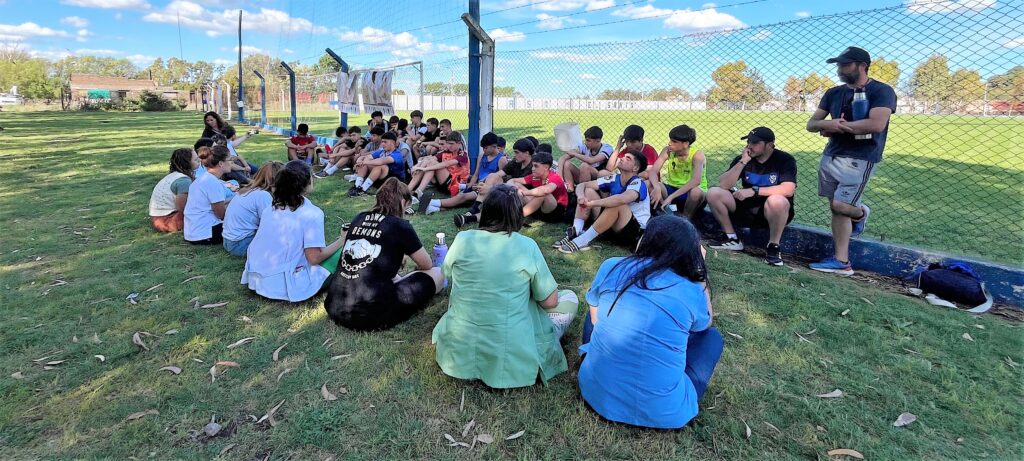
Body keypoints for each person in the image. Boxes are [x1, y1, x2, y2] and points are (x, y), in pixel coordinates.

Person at [577, 215, 722, 429]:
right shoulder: (691, 288)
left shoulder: (611, 266)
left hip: (595, 393)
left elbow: (594, 317)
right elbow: (704, 325)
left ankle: (593, 358)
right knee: (712, 338)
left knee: (595, 303)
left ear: (645, 239)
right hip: (664, 412)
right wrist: (699, 274)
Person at [432, 184, 579, 389]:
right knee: (569, 297)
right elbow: (550, 301)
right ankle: (550, 336)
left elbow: (446, 273)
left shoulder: (462, 239)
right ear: (517, 214)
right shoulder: (526, 246)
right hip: (509, 355)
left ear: (486, 211)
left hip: (458, 349)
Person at [806, 46, 896, 276]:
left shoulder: (882, 91)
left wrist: (839, 127)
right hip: (832, 155)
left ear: (862, 66)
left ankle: (861, 213)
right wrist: (828, 124)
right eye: (838, 65)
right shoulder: (833, 93)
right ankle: (841, 261)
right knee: (836, 208)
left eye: (845, 65)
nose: (839, 69)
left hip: (860, 158)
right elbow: (812, 124)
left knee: (841, 206)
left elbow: (876, 124)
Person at [324, 178, 445, 330]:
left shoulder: (359, 218)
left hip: (335, 305)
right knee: (438, 273)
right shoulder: (400, 225)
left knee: (386, 275)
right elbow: (426, 265)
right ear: (403, 202)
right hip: (368, 314)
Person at [241, 161, 345, 302]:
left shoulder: (270, 209)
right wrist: (343, 239)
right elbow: (314, 258)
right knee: (345, 250)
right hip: (284, 284)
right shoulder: (312, 213)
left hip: (257, 278)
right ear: (308, 181)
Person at [707, 127, 797, 267]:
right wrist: (743, 162)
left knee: (777, 200)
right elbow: (724, 184)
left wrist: (755, 191)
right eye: (748, 142)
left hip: (772, 212)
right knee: (714, 192)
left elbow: (788, 189)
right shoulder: (743, 159)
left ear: (769, 145)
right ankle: (732, 239)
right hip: (747, 209)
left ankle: (773, 247)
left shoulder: (784, 160)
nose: (749, 146)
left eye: (755, 143)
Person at [556, 150, 650, 253]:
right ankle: (575, 231)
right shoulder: (615, 178)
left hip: (633, 231)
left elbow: (621, 199)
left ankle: (583, 240)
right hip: (613, 226)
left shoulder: (638, 183)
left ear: (635, 168)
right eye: (623, 156)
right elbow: (582, 185)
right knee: (588, 191)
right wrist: (581, 197)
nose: (622, 159)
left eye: (628, 159)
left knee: (617, 204)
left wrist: (592, 204)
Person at [454, 137, 535, 228]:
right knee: (493, 176)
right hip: (513, 194)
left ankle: (474, 211)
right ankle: (472, 212)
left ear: (527, 153)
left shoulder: (534, 166)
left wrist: (490, 189)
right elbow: (498, 174)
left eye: (517, 152)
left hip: (528, 198)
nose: (514, 155)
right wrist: (483, 183)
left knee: (513, 186)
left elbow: (518, 186)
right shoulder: (515, 162)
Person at [417, 132, 505, 215]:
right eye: (483, 148)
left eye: (485, 148)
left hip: (488, 190)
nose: (483, 150)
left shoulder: (501, 160)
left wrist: (486, 187)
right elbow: (475, 175)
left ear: (494, 146)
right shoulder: (482, 156)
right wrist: (469, 187)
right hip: (477, 186)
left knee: (463, 197)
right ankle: (433, 208)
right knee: (462, 197)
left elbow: (501, 181)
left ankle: (431, 202)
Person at [222, 161, 284, 257]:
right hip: (240, 244)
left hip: (229, 241)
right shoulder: (263, 195)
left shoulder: (250, 189)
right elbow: (270, 225)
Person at [650, 125, 708, 218]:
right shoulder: (667, 151)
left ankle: (686, 219)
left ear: (685, 144)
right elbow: (653, 171)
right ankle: (661, 215)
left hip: (690, 194)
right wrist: (656, 187)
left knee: (695, 192)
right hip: (672, 189)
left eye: (674, 141)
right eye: (670, 140)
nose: (669, 143)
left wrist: (671, 197)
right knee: (649, 184)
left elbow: (696, 181)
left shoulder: (697, 155)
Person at [184, 145, 233, 244]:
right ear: (221, 163)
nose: (232, 162)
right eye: (230, 160)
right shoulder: (213, 183)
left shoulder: (204, 178)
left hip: (193, 231)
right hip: (205, 233)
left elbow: (214, 204)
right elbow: (221, 215)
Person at [409, 132, 470, 206]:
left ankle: (418, 192)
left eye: (451, 144)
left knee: (433, 164)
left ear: (459, 143)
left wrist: (425, 169)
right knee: (429, 162)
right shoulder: (445, 152)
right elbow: (430, 159)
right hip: (444, 183)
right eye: (448, 143)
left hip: (456, 185)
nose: (449, 146)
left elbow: (446, 164)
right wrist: (417, 166)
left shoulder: (462, 154)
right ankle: (408, 190)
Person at [149, 147, 198, 233]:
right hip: (167, 221)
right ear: (186, 163)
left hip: (157, 218)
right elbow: (182, 207)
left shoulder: (174, 176)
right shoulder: (184, 181)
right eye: (196, 160)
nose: (200, 160)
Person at [511, 151, 569, 223]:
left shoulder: (555, 177)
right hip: (539, 208)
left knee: (543, 193)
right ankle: (511, 209)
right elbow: (513, 181)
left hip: (555, 212)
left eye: (536, 166)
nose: (532, 169)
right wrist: (511, 188)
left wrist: (524, 193)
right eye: (532, 165)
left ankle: (517, 216)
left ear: (546, 167)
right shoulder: (534, 176)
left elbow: (546, 190)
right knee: (516, 184)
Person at [347, 132, 406, 197]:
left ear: (392, 143)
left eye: (385, 142)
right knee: (365, 164)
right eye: (382, 142)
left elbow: (381, 161)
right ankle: (357, 186)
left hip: (395, 182)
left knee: (380, 166)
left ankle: (363, 189)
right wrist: (361, 161)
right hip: (382, 179)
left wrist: (363, 162)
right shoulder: (382, 151)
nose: (383, 144)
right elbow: (368, 157)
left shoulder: (397, 154)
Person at [557, 125, 613, 191]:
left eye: (588, 140)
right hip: (584, 176)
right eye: (585, 139)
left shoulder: (607, 148)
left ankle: (582, 191)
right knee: (567, 164)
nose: (585, 142)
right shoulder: (585, 147)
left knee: (585, 166)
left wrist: (575, 154)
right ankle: (570, 190)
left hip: (599, 177)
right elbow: (562, 158)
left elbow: (591, 160)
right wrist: (560, 176)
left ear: (598, 141)